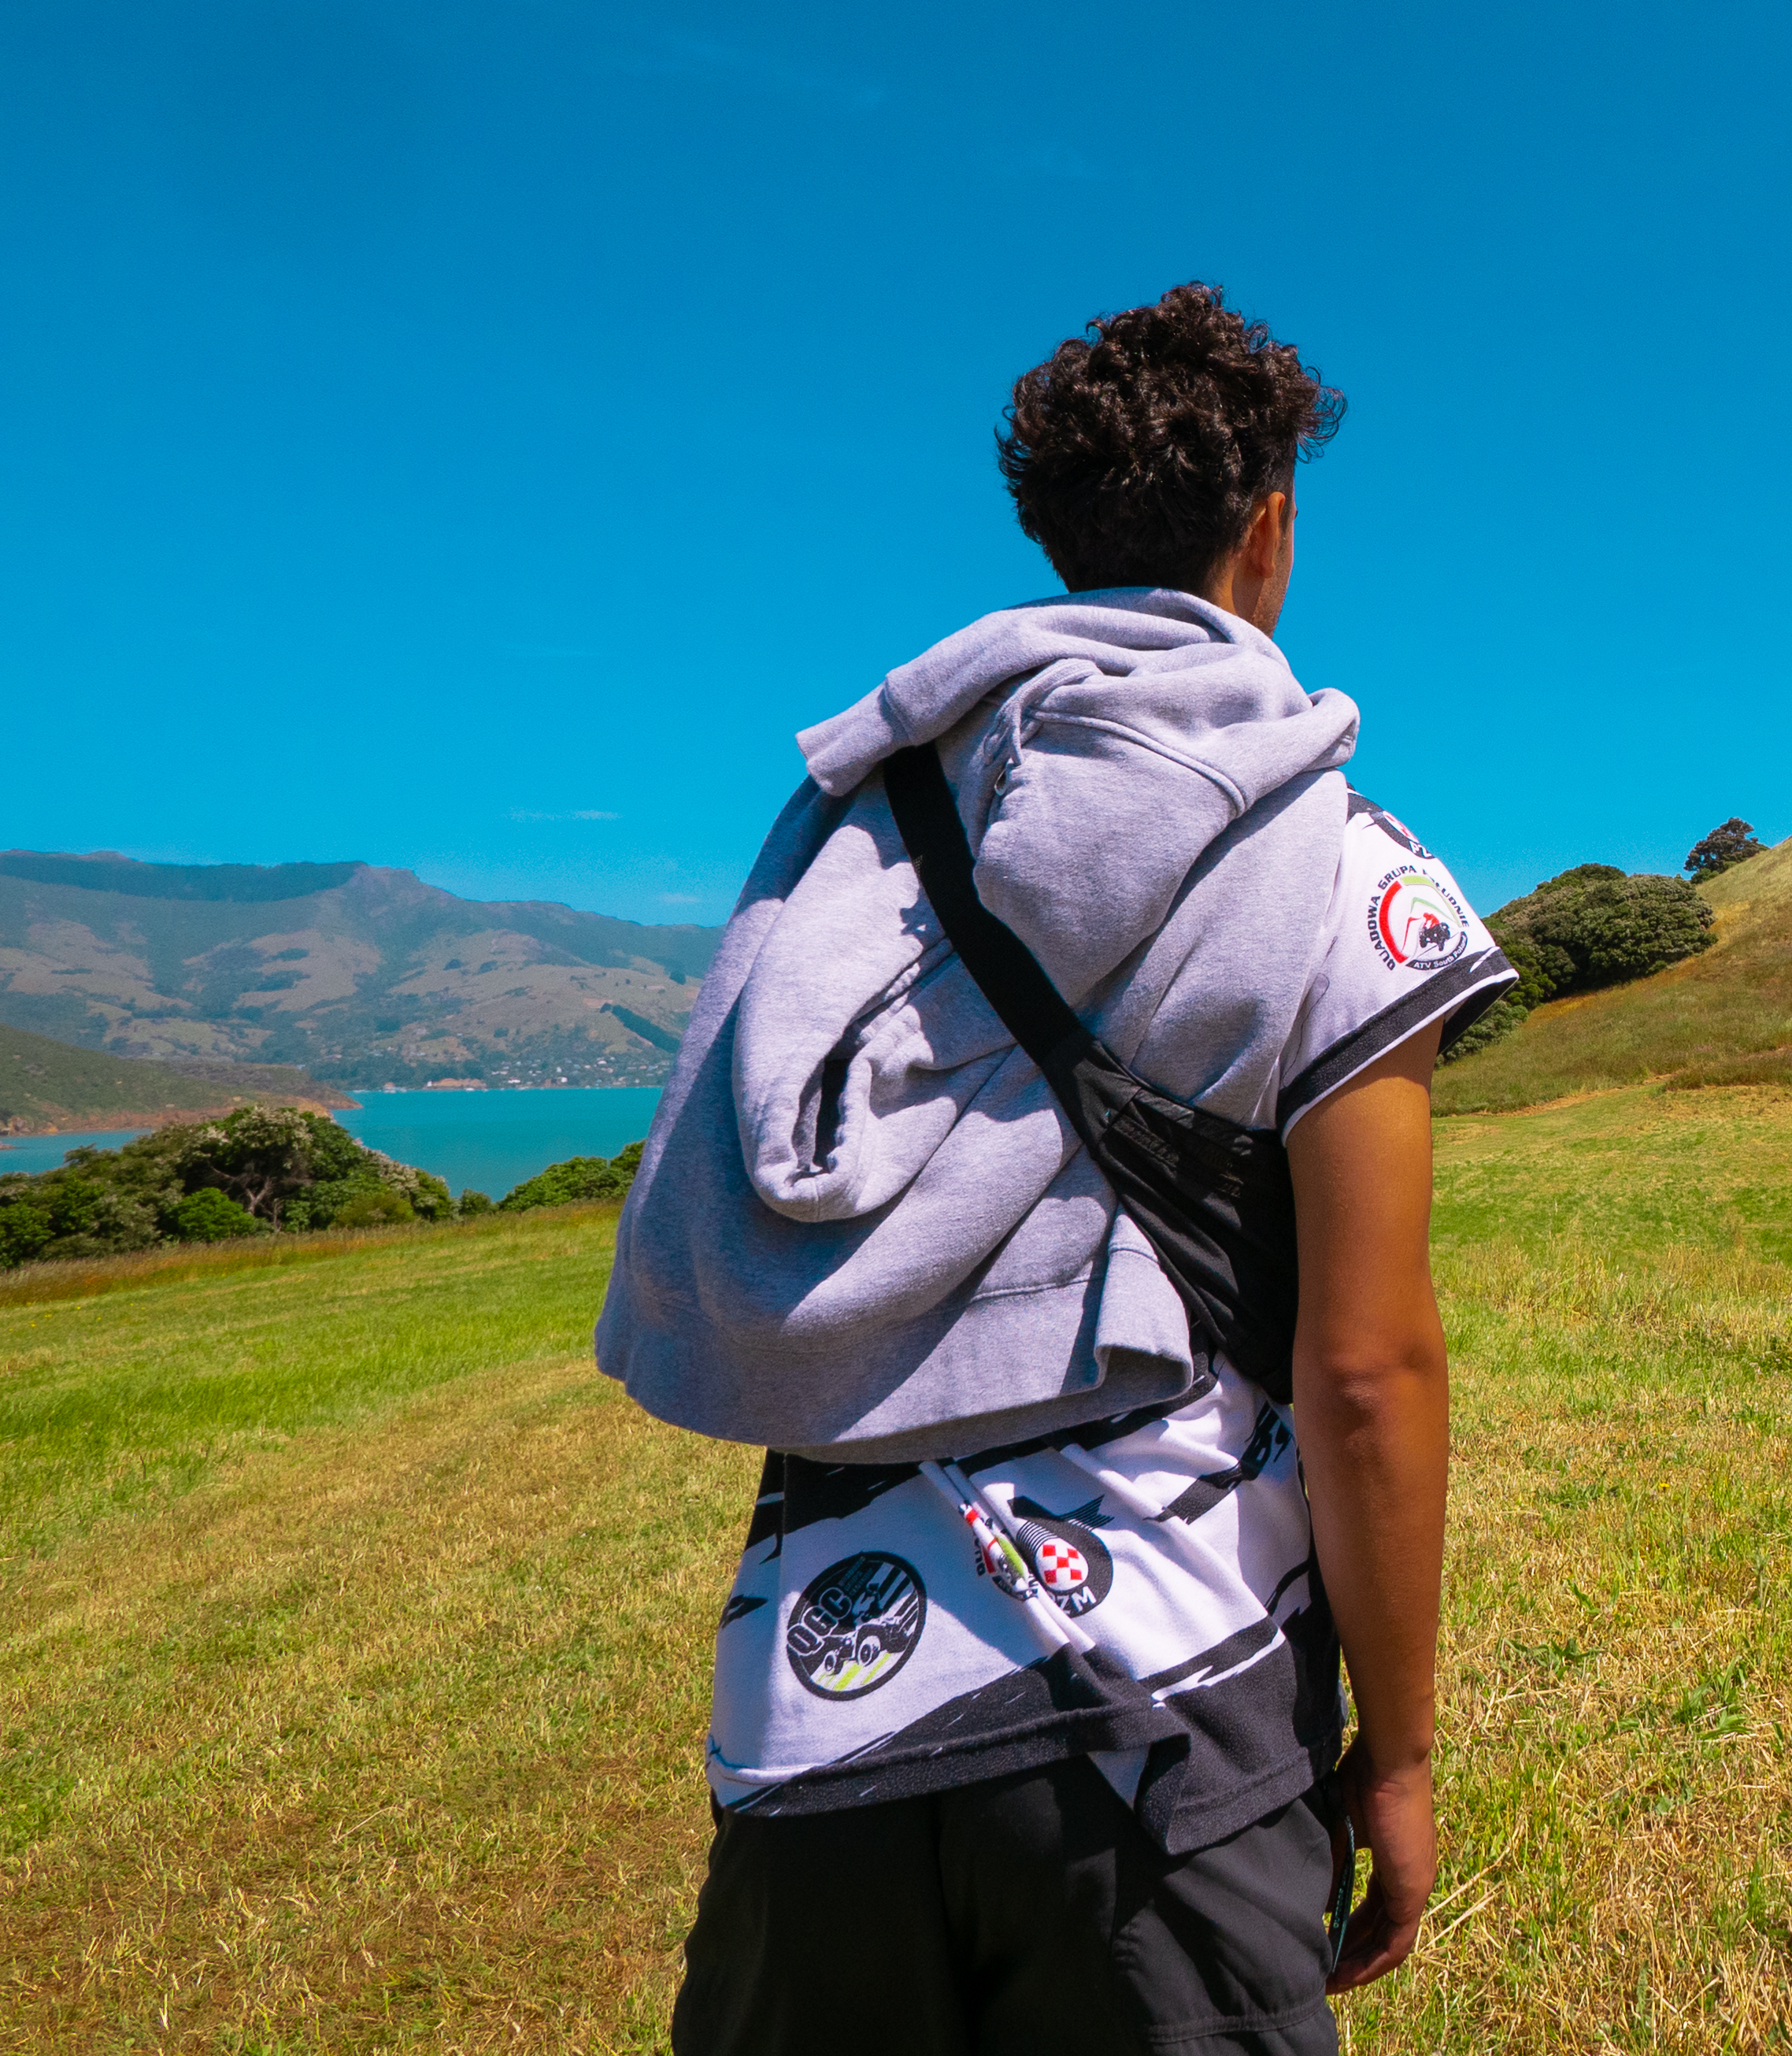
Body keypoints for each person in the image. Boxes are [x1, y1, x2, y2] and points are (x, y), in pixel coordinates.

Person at [598, 283, 1516, 2056]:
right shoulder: (1340, 863)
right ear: (1271, 528)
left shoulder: (860, 835)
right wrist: (1397, 1759)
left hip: (814, 1718)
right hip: (1169, 1725)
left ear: (1054, 536)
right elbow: (1365, 1370)